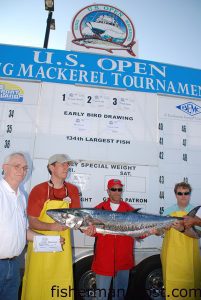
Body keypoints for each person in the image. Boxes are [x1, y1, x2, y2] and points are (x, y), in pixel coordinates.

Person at [21, 154, 81, 300]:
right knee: (38, 282)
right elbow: (32, 222)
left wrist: (86, 226)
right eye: (62, 164)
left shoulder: (72, 190)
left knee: (60, 282)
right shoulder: (39, 190)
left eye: (68, 165)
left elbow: (77, 220)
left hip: (63, 247)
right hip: (41, 245)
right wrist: (52, 227)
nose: (66, 167)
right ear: (51, 167)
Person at [90, 179, 153, 300]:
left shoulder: (128, 209)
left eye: (119, 189)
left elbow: (138, 234)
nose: (117, 192)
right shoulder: (98, 210)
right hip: (104, 261)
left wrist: (150, 231)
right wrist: (89, 231)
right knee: (101, 297)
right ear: (108, 191)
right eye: (114, 189)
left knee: (119, 296)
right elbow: (94, 233)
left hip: (123, 261)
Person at [160, 182, 201, 300]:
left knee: (192, 291)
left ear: (189, 194)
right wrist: (161, 229)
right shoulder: (167, 212)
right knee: (172, 290)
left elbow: (198, 234)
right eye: (180, 193)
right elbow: (159, 232)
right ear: (175, 195)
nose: (183, 196)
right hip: (171, 257)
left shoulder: (196, 213)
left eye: (186, 193)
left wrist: (183, 228)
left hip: (190, 258)